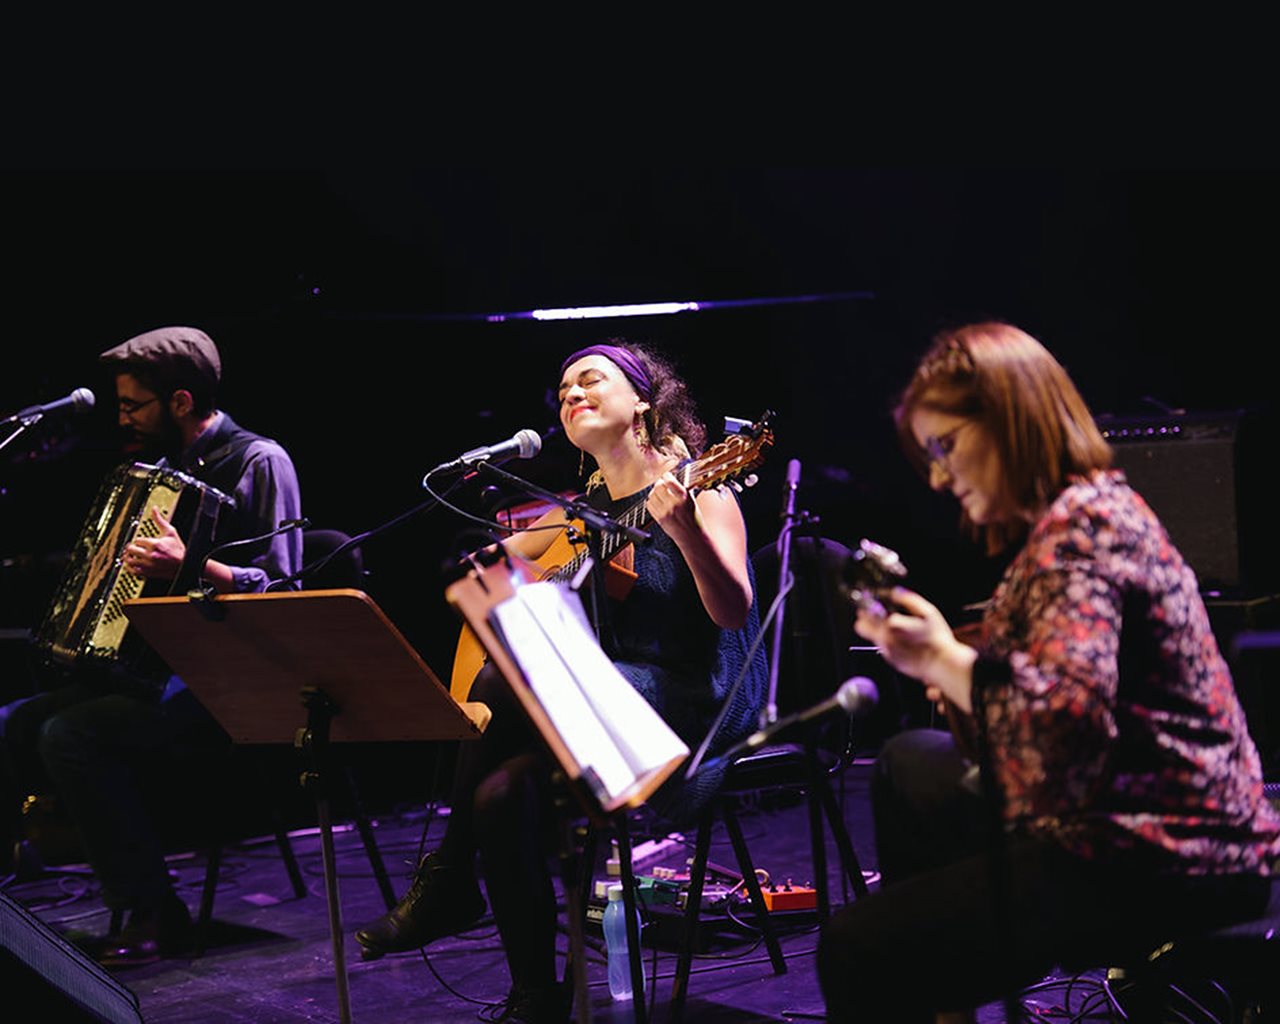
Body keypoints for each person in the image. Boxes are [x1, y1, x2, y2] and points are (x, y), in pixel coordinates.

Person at [817, 322, 1280, 1023]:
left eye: (945, 447)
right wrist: (955, 666)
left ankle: (925, 968)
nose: (938, 477)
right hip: (1120, 805)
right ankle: (945, 992)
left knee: (853, 948)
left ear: (1009, 420)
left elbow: (1066, 718)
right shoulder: (1080, 513)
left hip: (1168, 846)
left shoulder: (1084, 528)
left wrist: (941, 659)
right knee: (908, 763)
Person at [354, 340, 768, 1022]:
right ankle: (536, 998)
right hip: (608, 696)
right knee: (498, 795)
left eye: (590, 379)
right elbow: (516, 572)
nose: (571, 393)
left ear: (643, 400)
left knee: (504, 677)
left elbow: (733, 612)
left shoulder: (703, 486)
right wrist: (519, 578)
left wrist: (684, 531)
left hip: (689, 703)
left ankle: (449, 878)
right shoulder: (583, 509)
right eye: (564, 388)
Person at [0, 326, 302, 966]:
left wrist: (190, 566)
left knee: (69, 735)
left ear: (181, 402)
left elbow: (285, 591)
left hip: (233, 678)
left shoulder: (259, 461)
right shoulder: (159, 472)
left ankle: (153, 911)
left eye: (133, 405)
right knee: (12, 724)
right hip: (159, 669)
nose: (122, 419)